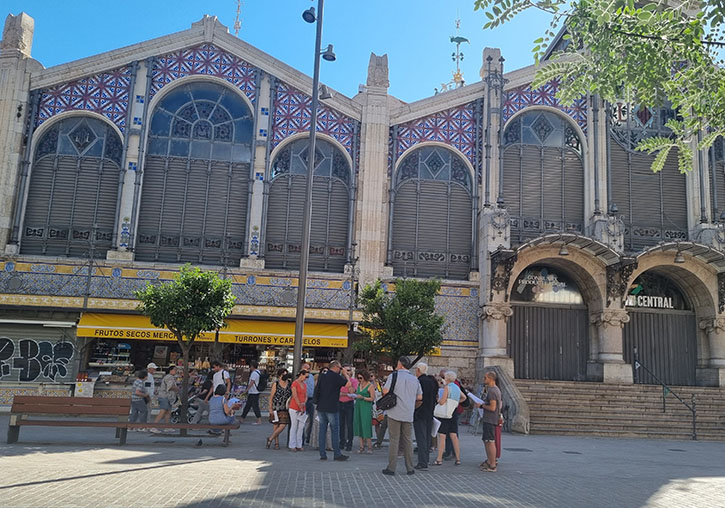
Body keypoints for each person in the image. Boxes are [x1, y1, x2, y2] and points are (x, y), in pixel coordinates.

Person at [381, 356, 422, 476]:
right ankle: (410, 468)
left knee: (394, 439)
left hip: (394, 411)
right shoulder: (414, 379)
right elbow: (420, 397)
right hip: (408, 412)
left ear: (400, 364)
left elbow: (385, 391)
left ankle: (391, 467)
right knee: (408, 440)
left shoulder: (393, 376)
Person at [313, 360, 352, 461]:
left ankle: (322, 454)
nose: (340, 370)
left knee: (322, 430)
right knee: (335, 430)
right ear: (335, 367)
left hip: (321, 406)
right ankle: (337, 454)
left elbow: (317, 389)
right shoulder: (336, 377)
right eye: (339, 368)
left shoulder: (323, 375)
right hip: (332, 407)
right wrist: (345, 374)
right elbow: (348, 385)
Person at [433, 370, 466, 466]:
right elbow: (464, 397)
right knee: (454, 436)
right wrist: (456, 402)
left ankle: (439, 459)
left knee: (442, 436)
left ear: (447, 378)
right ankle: (458, 458)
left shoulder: (447, 387)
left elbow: (442, 401)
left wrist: (438, 400)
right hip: (453, 412)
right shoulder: (456, 387)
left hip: (445, 414)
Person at [413, 362, 438, 470]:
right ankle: (425, 459)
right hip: (430, 412)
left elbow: (418, 397)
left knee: (421, 438)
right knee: (427, 437)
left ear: (418, 370)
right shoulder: (432, 381)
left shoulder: (419, 381)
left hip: (420, 412)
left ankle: (422, 462)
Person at [478, 370, 502, 472]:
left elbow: (493, 407)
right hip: (490, 419)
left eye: (485, 378)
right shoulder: (495, 390)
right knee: (486, 440)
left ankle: (492, 464)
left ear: (490, 379)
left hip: (490, 419)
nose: (484, 380)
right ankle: (490, 461)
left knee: (490, 441)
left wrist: (482, 405)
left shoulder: (492, 391)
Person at [266, 368, 291, 450]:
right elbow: (271, 397)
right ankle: (276, 443)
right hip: (276, 407)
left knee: (283, 424)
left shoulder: (289, 383)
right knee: (276, 425)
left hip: (285, 407)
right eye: (283, 374)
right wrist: (270, 408)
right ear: (280, 375)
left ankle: (270, 438)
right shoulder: (276, 384)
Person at [151, 365, 178, 433]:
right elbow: (169, 387)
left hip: (167, 397)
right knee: (163, 411)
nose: (176, 371)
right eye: (175, 370)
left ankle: (167, 427)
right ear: (170, 370)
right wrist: (177, 388)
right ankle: (154, 426)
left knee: (168, 412)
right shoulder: (169, 377)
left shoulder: (170, 377)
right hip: (165, 396)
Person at [352, 369, 374, 453]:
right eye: (358, 378)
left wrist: (363, 398)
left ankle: (369, 447)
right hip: (358, 406)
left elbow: (372, 398)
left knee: (366, 425)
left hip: (365, 407)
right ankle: (361, 446)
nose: (359, 379)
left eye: (361, 378)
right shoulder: (358, 385)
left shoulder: (370, 386)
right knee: (359, 425)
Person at [288, 369, 310, 451]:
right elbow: (295, 395)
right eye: (306, 376)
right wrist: (300, 404)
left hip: (302, 407)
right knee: (294, 426)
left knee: (301, 427)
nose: (306, 378)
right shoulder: (295, 383)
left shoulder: (304, 385)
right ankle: (292, 444)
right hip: (294, 407)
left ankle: (299, 444)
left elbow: (306, 395)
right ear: (301, 374)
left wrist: (304, 403)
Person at [338, 364, 358, 452]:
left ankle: (349, 443)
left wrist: (347, 378)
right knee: (341, 424)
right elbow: (337, 393)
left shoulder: (354, 381)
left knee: (349, 424)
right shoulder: (339, 380)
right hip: (339, 403)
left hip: (349, 404)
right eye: (346, 370)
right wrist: (347, 394)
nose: (348, 372)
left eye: (349, 370)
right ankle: (342, 442)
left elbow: (352, 391)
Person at [240, 360, 262, 425]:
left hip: (253, 392)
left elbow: (251, 382)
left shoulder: (254, 373)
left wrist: (246, 390)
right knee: (248, 406)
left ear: (252, 366)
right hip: (254, 392)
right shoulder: (258, 372)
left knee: (255, 406)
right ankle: (242, 418)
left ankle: (259, 420)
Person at [302, 362, 315, 445]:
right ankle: (302, 438)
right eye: (306, 368)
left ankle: (308, 437)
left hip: (311, 399)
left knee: (312, 419)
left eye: (308, 368)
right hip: (303, 400)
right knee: (302, 420)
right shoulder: (301, 377)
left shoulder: (311, 377)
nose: (307, 370)